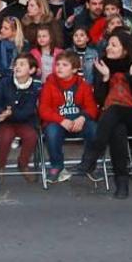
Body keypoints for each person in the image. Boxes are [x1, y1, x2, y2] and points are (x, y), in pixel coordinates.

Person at [79, 30, 132, 199]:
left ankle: (93, 154)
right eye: (108, 44)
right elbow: (100, 99)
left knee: (114, 112)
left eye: (114, 45)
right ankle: (122, 184)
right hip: (113, 119)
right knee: (117, 129)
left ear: (125, 50)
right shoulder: (102, 65)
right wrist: (106, 78)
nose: (109, 48)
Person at [39, 51, 99, 183]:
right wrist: (61, 120)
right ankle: (57, 165)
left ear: (74, 69)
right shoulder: (49, 85)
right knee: (51, 132)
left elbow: (92, 108)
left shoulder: (83, 85)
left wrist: (82, 118)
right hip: (58, 121)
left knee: (95, 130)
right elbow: (43, 109)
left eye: (64, 65)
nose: (59, 67)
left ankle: (88, 163)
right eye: (58, 64)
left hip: (78, 121)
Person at [0, 54, 40, 180]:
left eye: (22, 64)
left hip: (24, 121)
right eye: (16, 65)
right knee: (5, 137)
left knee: (31, 136)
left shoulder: (34, 88)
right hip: (4, 121)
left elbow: (28, 110)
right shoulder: (4, 82)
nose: (17, 67)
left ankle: (23, 164)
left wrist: (11, 113)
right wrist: (1, 112)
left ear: (32, 70)